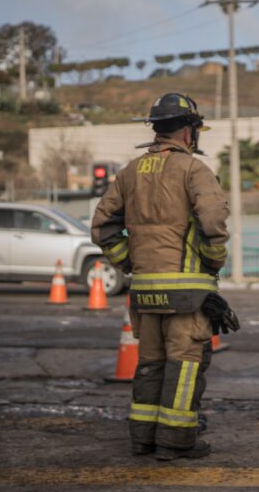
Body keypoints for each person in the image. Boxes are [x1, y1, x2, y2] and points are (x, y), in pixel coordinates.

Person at [92, 92, 235, 461]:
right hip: (187, 293)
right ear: (188, 131)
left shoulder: (129, 172)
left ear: (156, 129)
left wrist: (130, 263)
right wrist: (212, 262)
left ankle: (143, 439)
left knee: (150, 364)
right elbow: (213, 221)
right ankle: (176, 441)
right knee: (185, 364)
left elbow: (102, 227)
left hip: (144, 293)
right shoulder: (194, 170)